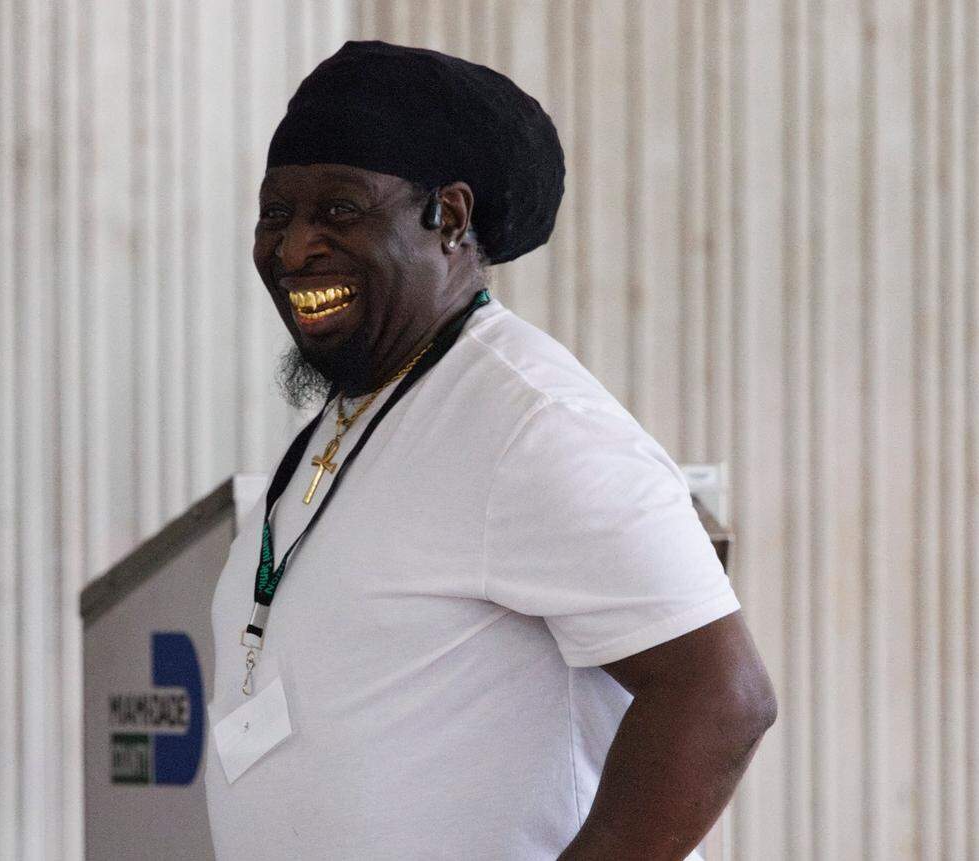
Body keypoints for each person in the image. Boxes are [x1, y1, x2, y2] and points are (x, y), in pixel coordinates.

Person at [203, 40, 776, 860]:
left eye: (339, 212)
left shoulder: (532, 422)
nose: (294, 250)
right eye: (276, 215)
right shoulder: (363, 409)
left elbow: (722, 697)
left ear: (451, 218)